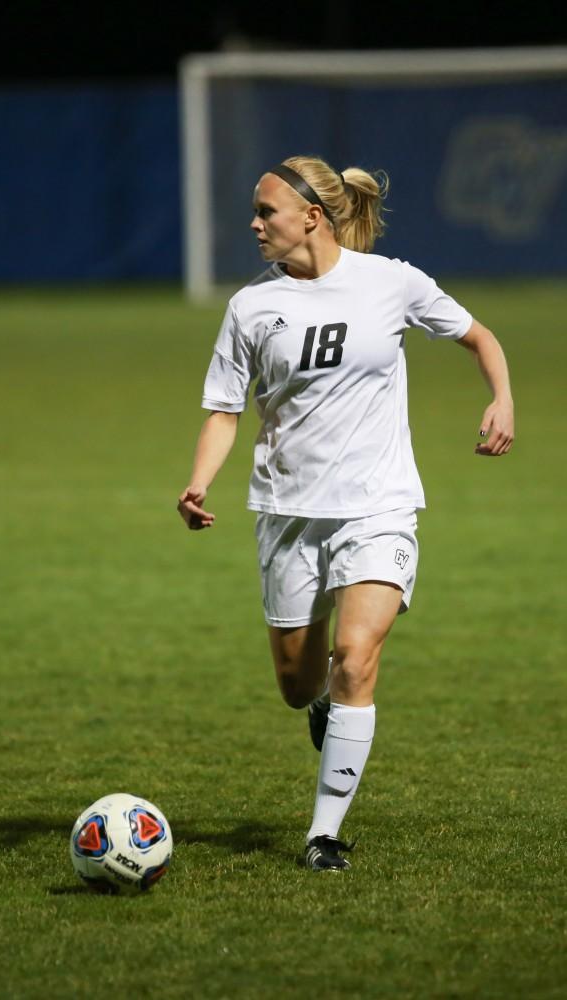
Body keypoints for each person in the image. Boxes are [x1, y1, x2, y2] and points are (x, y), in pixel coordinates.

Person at [177, 156, 514, 872]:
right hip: (289, 513)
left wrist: (502, 396)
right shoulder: (250, 307)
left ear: (312, 217)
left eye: (266, 211)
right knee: (301, 685)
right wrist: (198, 481)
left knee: (355, 660)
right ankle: (325, 707)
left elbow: (479, 336)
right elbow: (224, 409)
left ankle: (323, 835)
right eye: (256, 211)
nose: (255, 223)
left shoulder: (391, 282)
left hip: (378, 506)